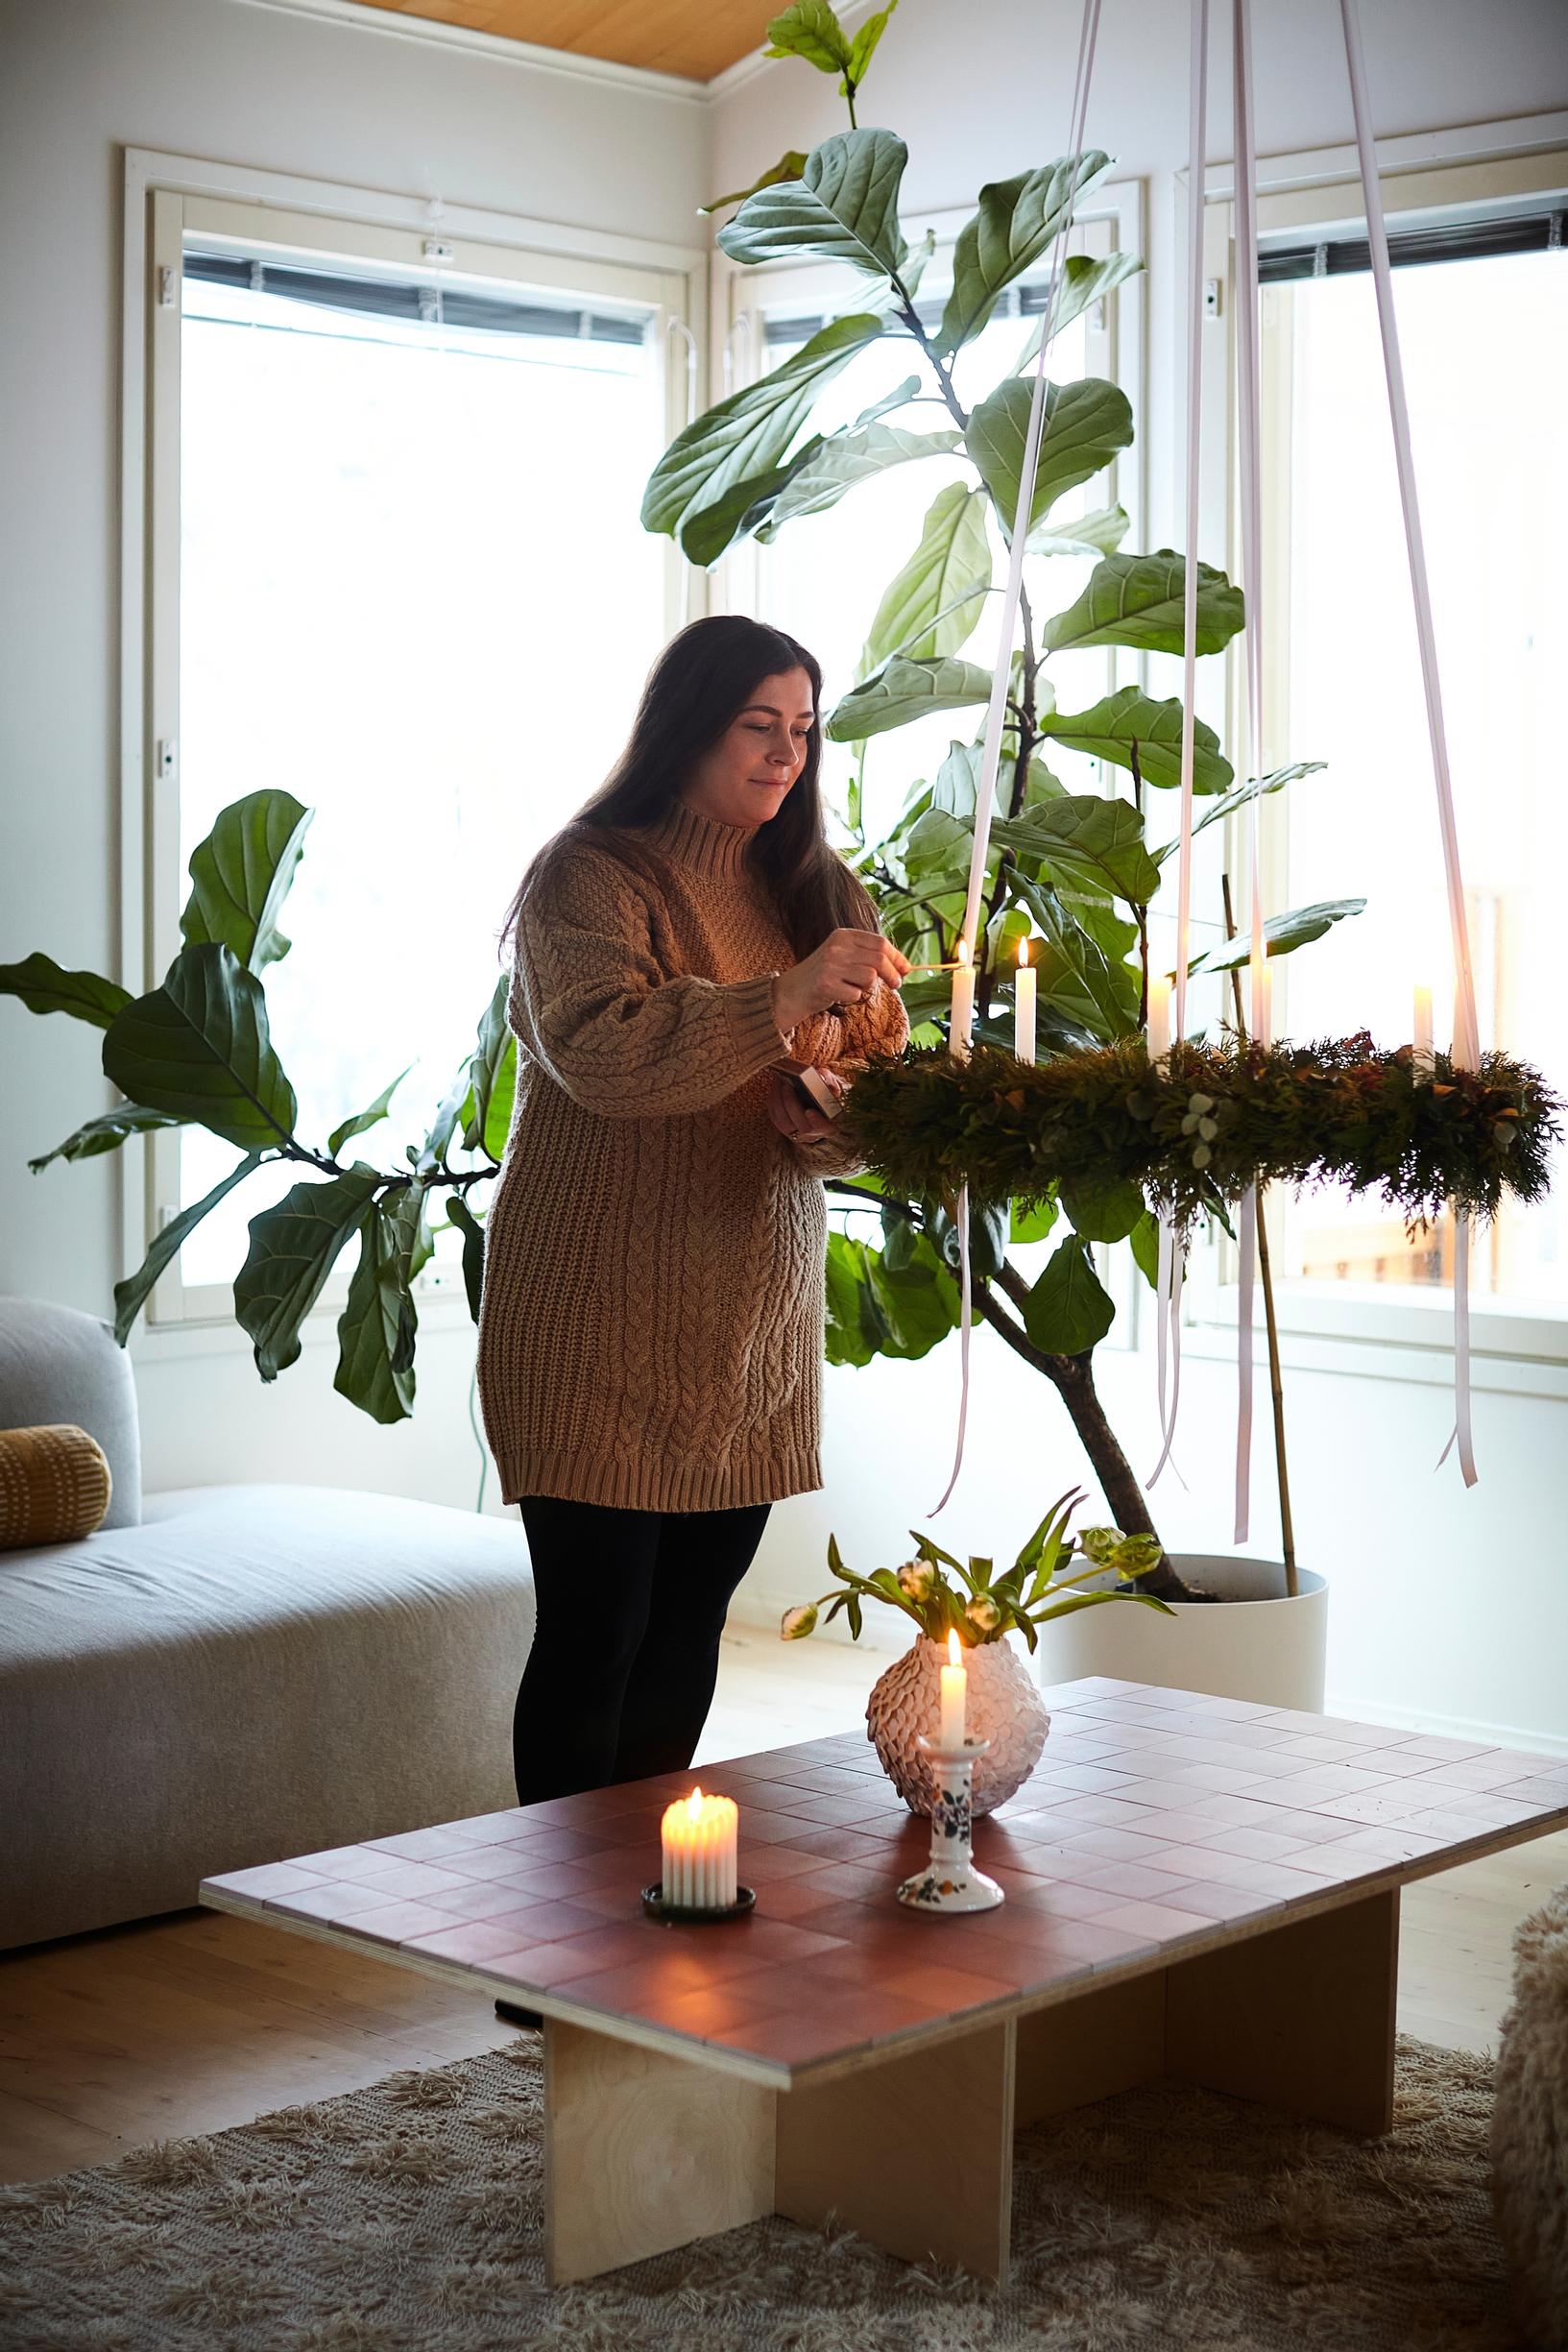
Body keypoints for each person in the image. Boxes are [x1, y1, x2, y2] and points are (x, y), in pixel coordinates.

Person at [476, 616, 911, 1829]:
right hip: (593, 1325)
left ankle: (634, 1904)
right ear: (686, 726)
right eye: (756, 726)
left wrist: (831, 1118)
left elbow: (859, 1099)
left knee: (684, 1632)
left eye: (803, 732)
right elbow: (603, 1056)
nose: (784, 757)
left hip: (745, 1327)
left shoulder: (816, 888)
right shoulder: (590, 874)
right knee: (594, 1629)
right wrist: (775, 1000)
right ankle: (557, 1954)